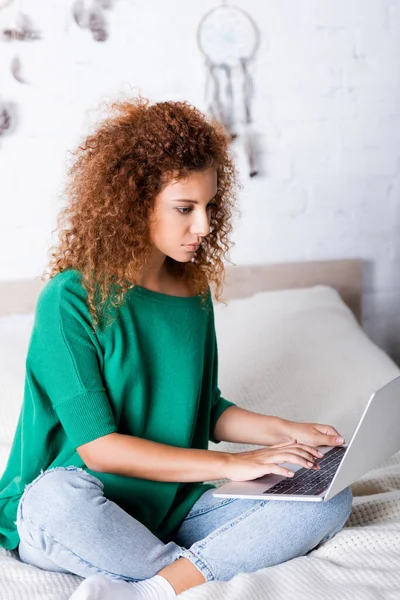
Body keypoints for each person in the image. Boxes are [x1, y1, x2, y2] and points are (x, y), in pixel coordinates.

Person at [0, 97, 352, 600]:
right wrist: (235, 464)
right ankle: (184, 576)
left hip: (171, 509)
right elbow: (99, 449)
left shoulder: (192, 293)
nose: (204, 227)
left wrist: (288, 432)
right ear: (133, 203)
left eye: (209, 206)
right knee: (54, 499)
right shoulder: (69, 300)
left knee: (330, 497)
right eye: (185, 208)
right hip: (78, 506)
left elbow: (204, 409)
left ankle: (151, 588)